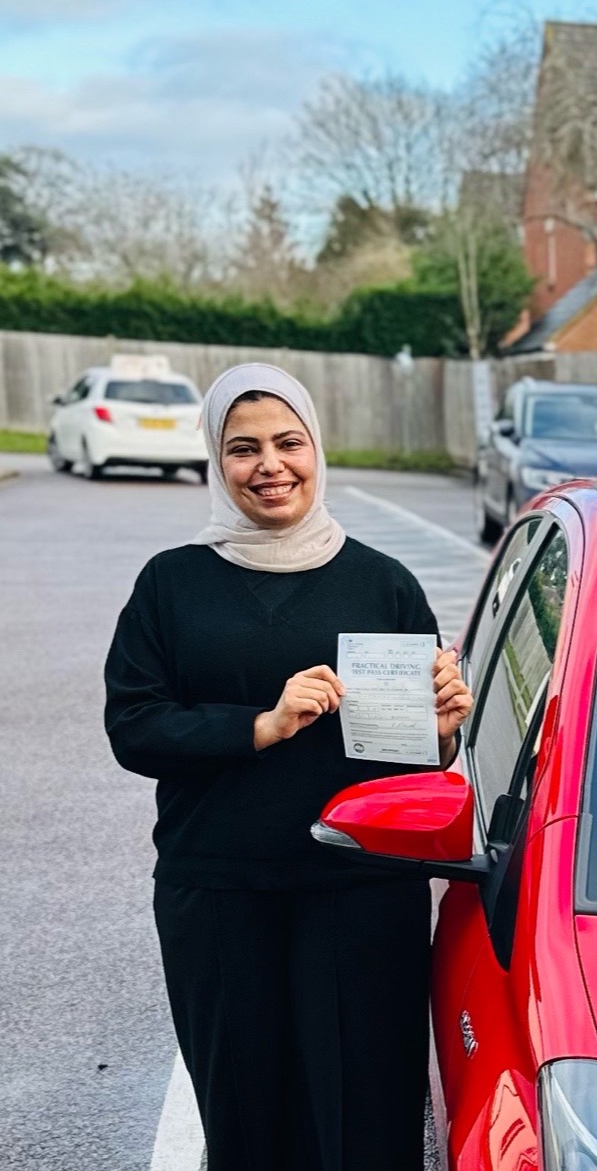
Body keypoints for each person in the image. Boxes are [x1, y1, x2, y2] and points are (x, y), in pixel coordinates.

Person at [104, 362, 473, 1171]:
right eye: (243, 449)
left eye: (288, 443)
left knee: (368, 1116)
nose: (269, 465)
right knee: (246, 1116)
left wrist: (442, 729)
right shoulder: (172, 585)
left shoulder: (382, 583)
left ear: (316, 450)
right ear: (216, 461)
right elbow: (133, 727)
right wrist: (262, 726)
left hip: (362, 893)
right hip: (221, 891)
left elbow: (417, 762)